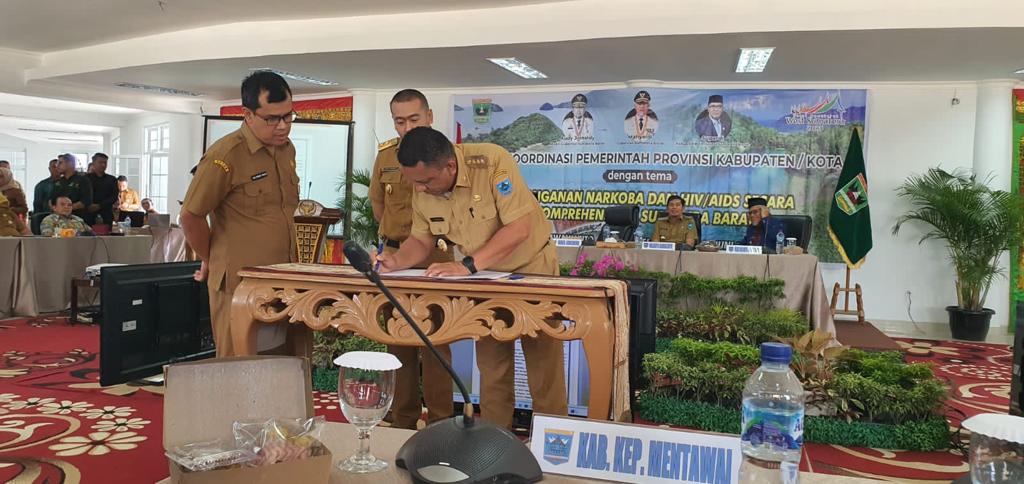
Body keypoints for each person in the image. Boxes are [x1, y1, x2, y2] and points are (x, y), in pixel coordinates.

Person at [376, 126, 567, 430]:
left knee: (543, 366)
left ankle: (554, 442)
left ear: (450, 166)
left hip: (532, 270)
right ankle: (495, 442)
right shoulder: (422, 183)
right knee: (492, 368)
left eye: (426, 181)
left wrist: (467, 266)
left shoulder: (492, 162)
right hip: (486, 278)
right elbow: (422, 239)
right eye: (415, 182)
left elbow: (519, 228)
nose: (420, 189)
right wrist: (396, 261)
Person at [180, 70, 308, 358]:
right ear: (248, 114)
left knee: (283, 362)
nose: (283, 126)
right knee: (239, 364)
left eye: (288, 116)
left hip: (282, 279)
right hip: (240, 285)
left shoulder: (286, 151)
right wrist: (210, 258)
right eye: (272, 119)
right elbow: (191, 215)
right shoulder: (225, 156)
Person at [368, 89, 456, 430]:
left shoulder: (444, 155)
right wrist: (396, 243)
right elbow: (378, 204)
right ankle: (402, 419)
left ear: (430, 117)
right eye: (400, 121)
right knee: (398, 342)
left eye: (414, 119)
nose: (406, 127)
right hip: (394, 256)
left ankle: (440, 423)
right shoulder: (386, 157)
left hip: (436, 256)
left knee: (436, 345)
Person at [52, 154, 92, 220]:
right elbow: (51, 200)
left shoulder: (83, 180)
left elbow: (86, 201)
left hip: (78, 218)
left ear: (70, 164)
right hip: (59, 219)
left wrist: (67, 208)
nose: (57, 166)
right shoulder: (58, 182)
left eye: (60, 163)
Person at [85, 153, 117, 225]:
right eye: (100, 162)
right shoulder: (85, 179)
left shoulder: (112, 179)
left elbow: (114, 196)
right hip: (88, 214)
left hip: (106, 214)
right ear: (93, 163)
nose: (103, 165)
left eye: (105, 163)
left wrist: (100, 206)